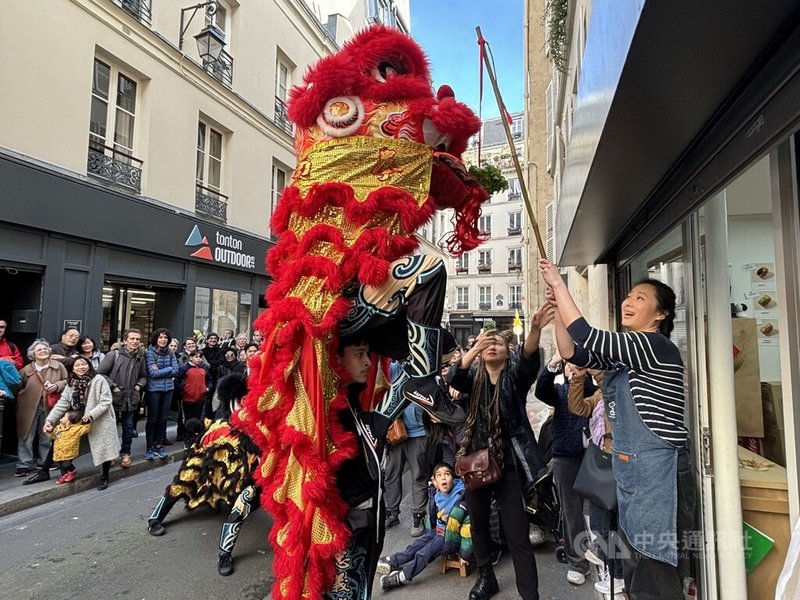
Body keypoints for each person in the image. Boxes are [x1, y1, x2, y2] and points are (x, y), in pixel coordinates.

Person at [540, 258, 694, 600]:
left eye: (640, 298)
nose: (629, 301)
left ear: (660, 314)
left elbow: (588, 335)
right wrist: (556, 309)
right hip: (634, 472)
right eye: (628, 296)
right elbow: (572, 351)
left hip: (659, 473)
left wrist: (560, 283)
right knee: (638, 566)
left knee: (657, 571)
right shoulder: (626, 355)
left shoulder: (654, 346)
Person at [446, 306, 553, 600]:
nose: (492, 346)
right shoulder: (473, 379)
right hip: (474, 465)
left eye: (498, 343)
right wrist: (474, 349)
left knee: (517, 533)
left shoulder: (514, 379)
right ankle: (485, 578)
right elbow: (454, 377)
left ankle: (529, 594)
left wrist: (534, 330)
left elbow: (529, 362)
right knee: (478, 526)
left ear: (508, 352)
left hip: (508, 467)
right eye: (487, 342)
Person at [534, 355, 593, 585]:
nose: (574, 370)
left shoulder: (595, 391)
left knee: (599, 511)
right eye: (571, 365)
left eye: (579, 366)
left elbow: (590, 391)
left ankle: (608, 560)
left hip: (594, 457)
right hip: (566, 458)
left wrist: (585, 375)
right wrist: (553, 364)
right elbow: (541, 390)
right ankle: (578, 562)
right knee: (571, 512)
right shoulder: (558, 391)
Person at [567, 368, 624, 595]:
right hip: (602, 463)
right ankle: (614, 570)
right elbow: (577, 407)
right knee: (602, 525)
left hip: (617, 464)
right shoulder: (601, 395)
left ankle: (618, 575)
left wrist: (593, 369)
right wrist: (579, 377)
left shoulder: (618, 392)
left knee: (611, 525)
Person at [377, 462, 472, 589]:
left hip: (450, 538)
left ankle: (402, 576)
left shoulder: (461, 499)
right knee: (416, 546)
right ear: (434, 481)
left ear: (453, 479)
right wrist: (428, 535)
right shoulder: (437, 494)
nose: (443, 477)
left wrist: (465, 554)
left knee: (423, 554)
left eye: (447, 474)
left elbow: (468, 528)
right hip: (437, 531)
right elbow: (432, 518)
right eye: (439, 475)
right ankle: (395, 561)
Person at [44, 356, 120, 490]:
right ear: (72, 368)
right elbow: (62, 403)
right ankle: (62, 471)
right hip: (78, 420)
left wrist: (91, 414)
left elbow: (106, 401)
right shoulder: (71, 382)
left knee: (104, 448)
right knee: (64, 444)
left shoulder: (98, 380)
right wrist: (50, 420)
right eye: (77, 365)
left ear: (89, 365)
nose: (81, 367)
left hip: (100, 418)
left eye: (83, 364)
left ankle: (105, 476)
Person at [384, 388, 435, 536]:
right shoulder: (391, 368)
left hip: (418, 431)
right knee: (391, 473)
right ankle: (391, 512)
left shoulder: (421, 368)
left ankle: (418, 515)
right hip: (394, 431)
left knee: (419, 475)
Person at [15, 340, 68, 480]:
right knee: (26, 435)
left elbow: (67, 381)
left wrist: (57, 386)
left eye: (45, 349)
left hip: (50, 406)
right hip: (28, 406)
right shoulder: (26, 370)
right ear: (33, 354)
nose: (43, 351)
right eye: (39, 350)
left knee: (47, 434)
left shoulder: (59, 366)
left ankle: (45, 462)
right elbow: (17, 386)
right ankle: (24, 464)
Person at [96, 328, 147, 469]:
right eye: (132, 338)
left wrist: (139, 385)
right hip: (113, 396)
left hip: (131, 397)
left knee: (128, 427)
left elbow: (144, 376)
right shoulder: (114, 355)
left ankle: (125, 453)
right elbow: (100, 373)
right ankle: (110, 455)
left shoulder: (140, 357)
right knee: (110, 427)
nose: (135, 341)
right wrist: (113, 386)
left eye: (137, 339)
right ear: (125, 341)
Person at [144, 328, 179, 461]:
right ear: (156, 339)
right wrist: (169, 369)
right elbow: (152, 373)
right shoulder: (149, 352)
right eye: (160, 337)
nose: (163, 339)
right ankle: (149, 447)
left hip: (168, 390)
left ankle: (159, 445)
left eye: (165, 337)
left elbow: (176, 370)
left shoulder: (170, 352)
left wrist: (166, 369)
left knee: (163, 418)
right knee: (153, 419)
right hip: (153, 390)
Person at [48, 410, 91, 484]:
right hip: (59, 451)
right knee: (60, 465)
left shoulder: (77, 429)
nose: (62, 417)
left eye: (64, 416)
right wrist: (50, 431)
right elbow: (53, 436)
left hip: (69, 452)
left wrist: (86, 421)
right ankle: (64, 475)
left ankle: (72, 471)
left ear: (70, 421)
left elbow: (86, 428)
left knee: (66, 464)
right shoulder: (59, 428)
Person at [177, 350, 211, 423]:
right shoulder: (185, 369)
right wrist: (184, 389)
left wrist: (207, 388)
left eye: (200, 357)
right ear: (191, 357)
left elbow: (209, 380)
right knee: (187, 419)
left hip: (200, 398)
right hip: (187, 399)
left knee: (198, 419)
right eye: (196, 357)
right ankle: (185, 434)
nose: (199, 359)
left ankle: (196, 434)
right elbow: (177, 381)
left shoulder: (204, 368)